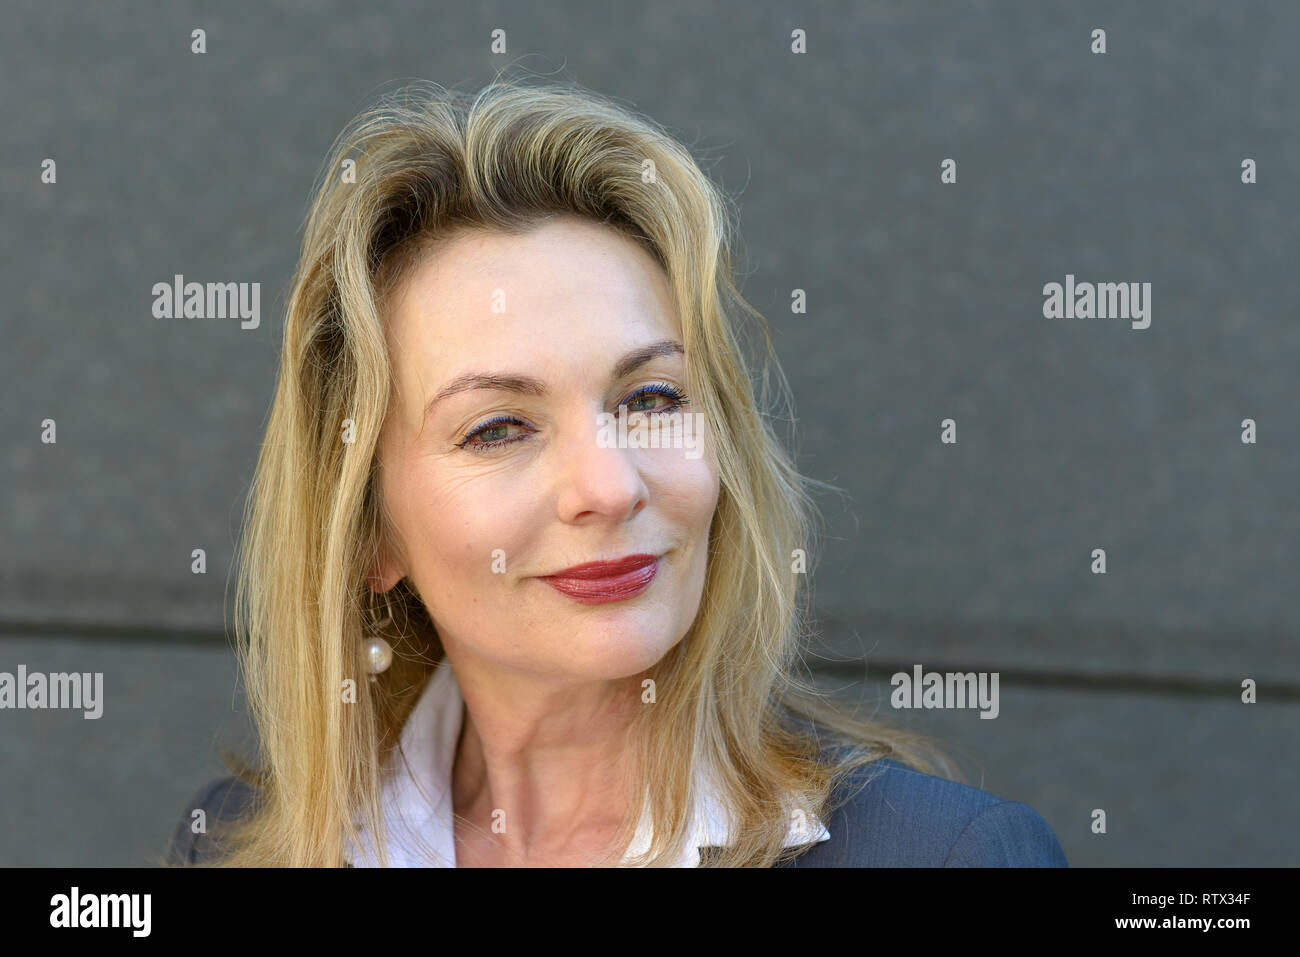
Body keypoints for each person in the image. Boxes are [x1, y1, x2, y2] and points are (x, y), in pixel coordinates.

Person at [163, 74, 1067, 868]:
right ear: (369, 530)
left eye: (652, 398)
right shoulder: (233, 842)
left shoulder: (945, 856)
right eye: (499, 427)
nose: (609, 486)